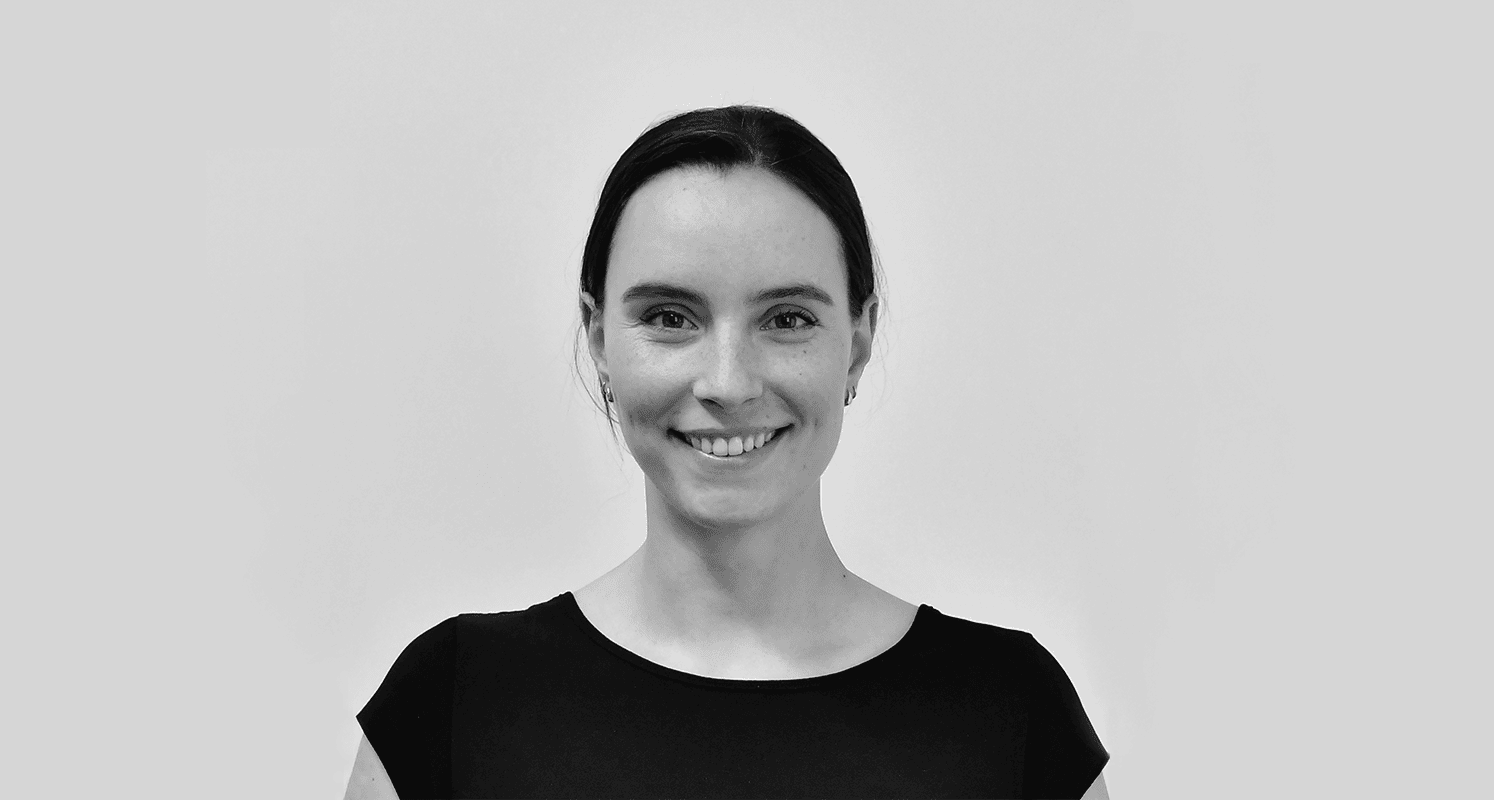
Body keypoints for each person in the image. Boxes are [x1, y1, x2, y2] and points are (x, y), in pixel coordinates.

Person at [345, 106, 1110, 799]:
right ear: (600, 340)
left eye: (787, 319)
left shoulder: (1011, 716)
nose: (728, 383)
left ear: (857, 342)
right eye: (670, 316)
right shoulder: (454, 703)